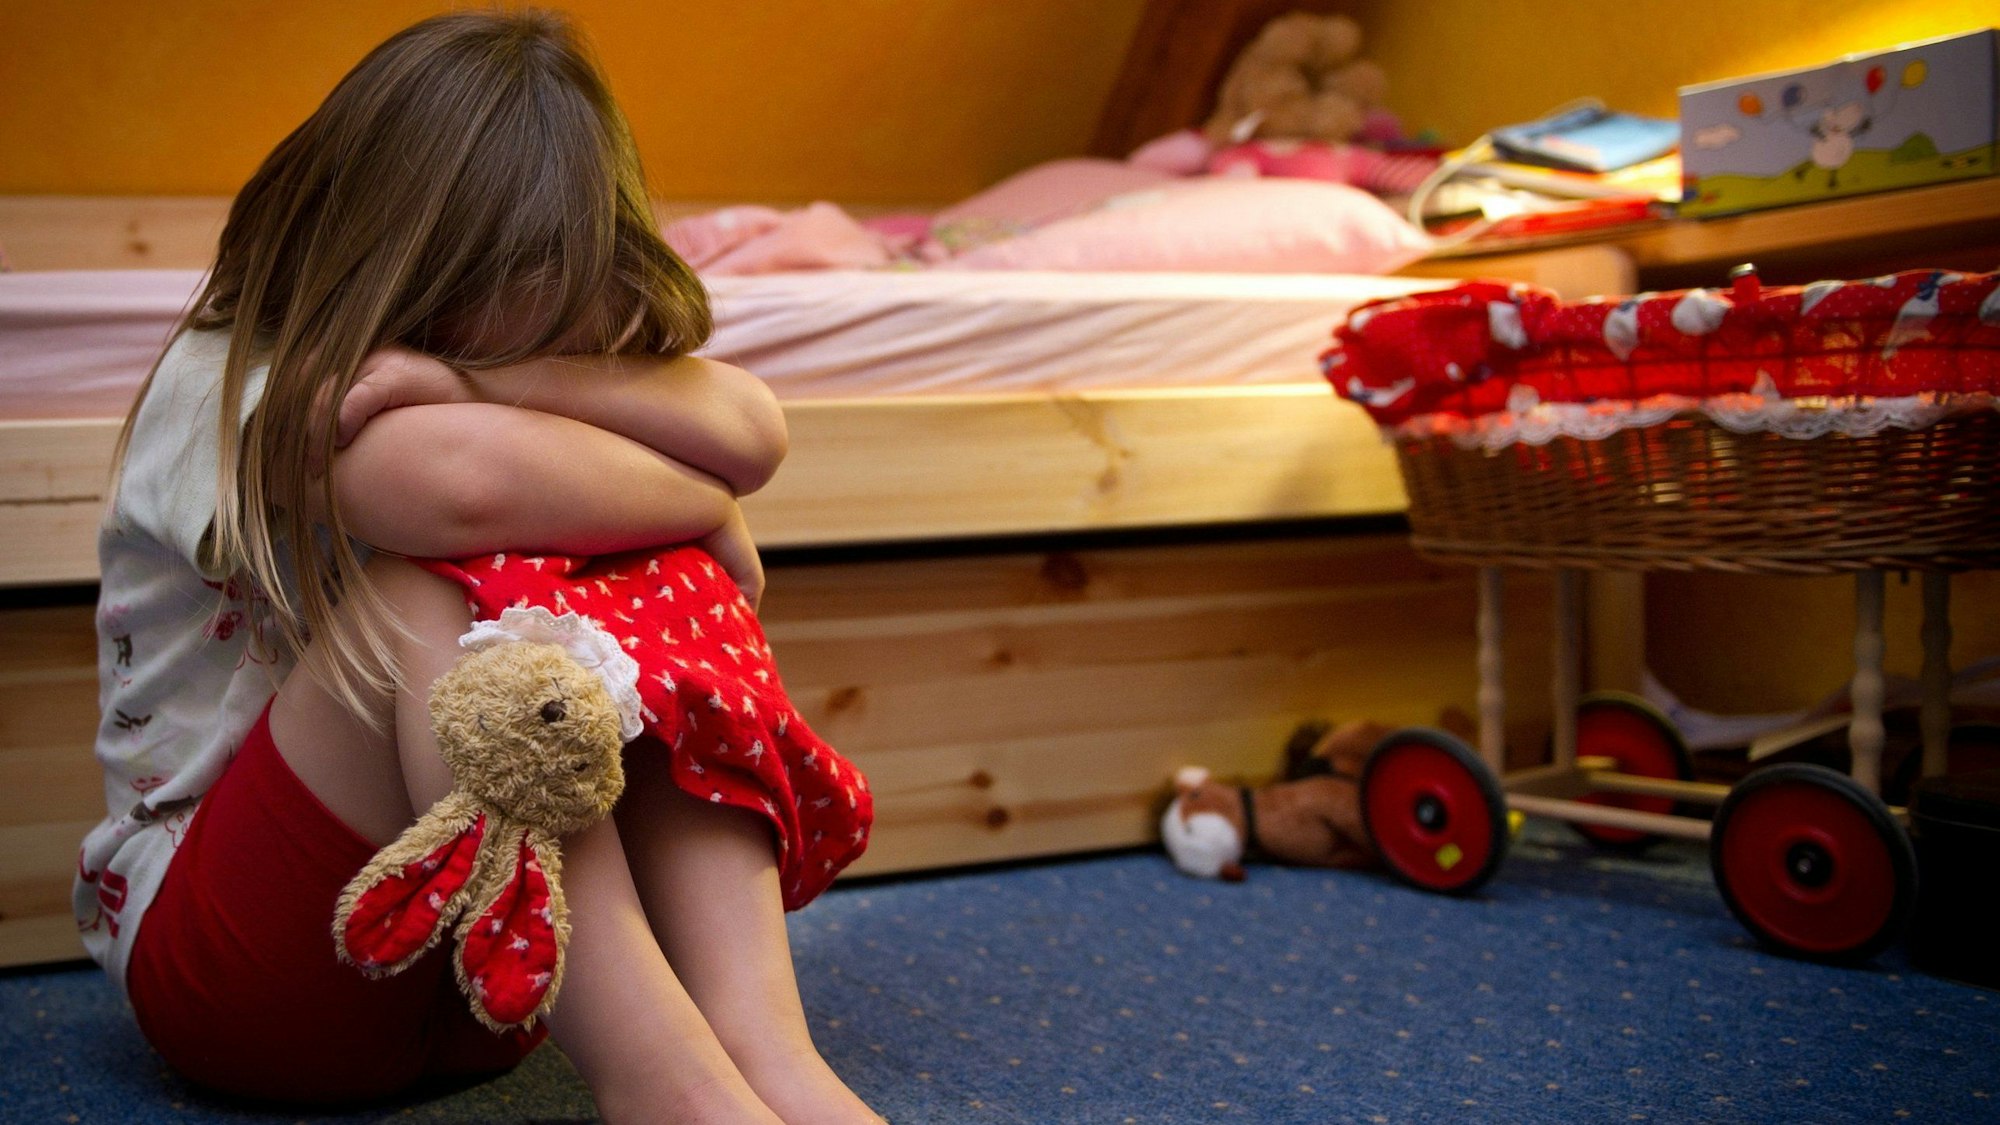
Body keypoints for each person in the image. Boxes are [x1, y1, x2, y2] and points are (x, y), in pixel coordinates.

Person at [75, 11, 881, 1123]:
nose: (522, 346)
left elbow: (750, 425)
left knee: (640, 562)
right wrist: (703, 505)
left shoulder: (508, 351)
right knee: (437, 588)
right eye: (472, 328)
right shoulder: (229, 376)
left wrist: (485, 380)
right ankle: (671, 1091)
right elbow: (451, 492)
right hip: (240, 972)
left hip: (490, 984)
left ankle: (766, 1054)